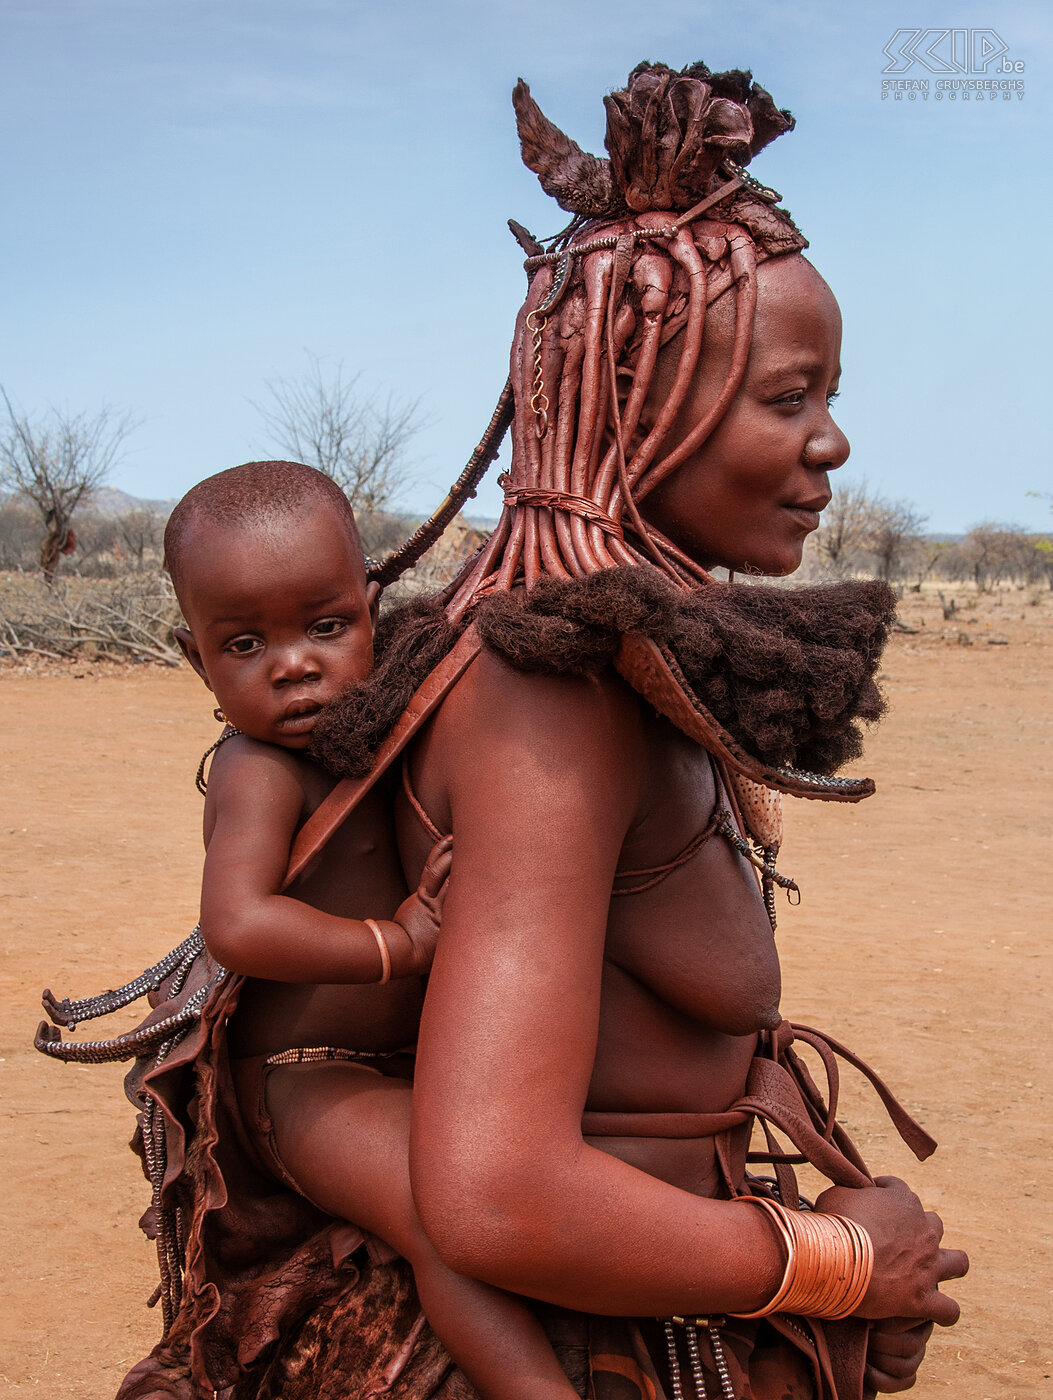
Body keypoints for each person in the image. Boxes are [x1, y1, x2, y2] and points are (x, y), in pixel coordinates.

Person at [40, 460, 583, 1400]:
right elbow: (240, 926)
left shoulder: (399, 721)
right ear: (193, 656)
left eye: (325, 627)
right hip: (300, 1079)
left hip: (411, 1061)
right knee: (446, 1219)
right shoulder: (258, 769)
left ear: (374, 608)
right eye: (244, 643)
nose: (293, 664)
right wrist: (402, 944)